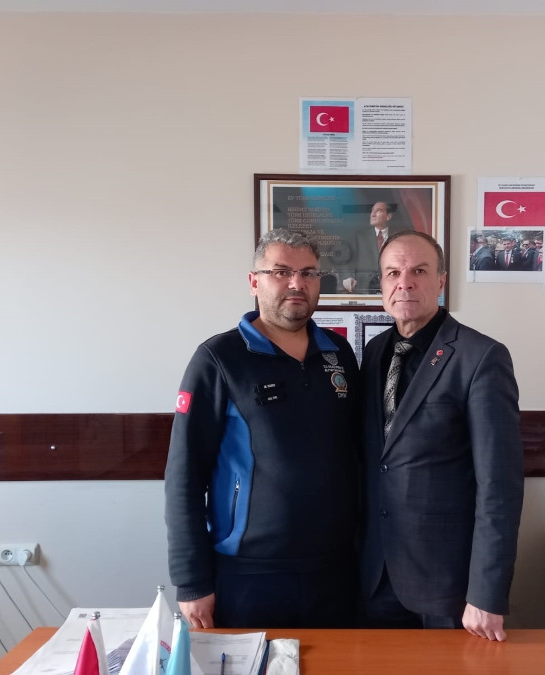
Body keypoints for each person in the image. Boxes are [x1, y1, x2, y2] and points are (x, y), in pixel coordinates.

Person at [164, 229, 360, 629]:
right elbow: (184, 476)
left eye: (308, 273)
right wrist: (191, 581)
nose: (296, 283)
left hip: (336, 570)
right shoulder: (218, 359)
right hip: (249, 574)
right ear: (254, 281)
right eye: (281, 272)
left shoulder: (338, 353)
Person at [359, 231, 524, 641]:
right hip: (376, 575)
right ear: (381, 284)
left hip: (449, 586)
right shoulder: (375, 352)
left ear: (441, 281)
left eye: (418, 271)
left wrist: (486, 593)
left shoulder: (480, 357)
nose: (404, 283)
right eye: (393, 273)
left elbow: (499, 486)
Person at [341, 201, 403, 293]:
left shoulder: (399, 237)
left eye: (378, 211)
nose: (372, 215)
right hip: (365, 290)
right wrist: (348, 277)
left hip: (393, 289)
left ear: (388, 216)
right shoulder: (360, 237)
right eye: (372, 211)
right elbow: (345, 260)